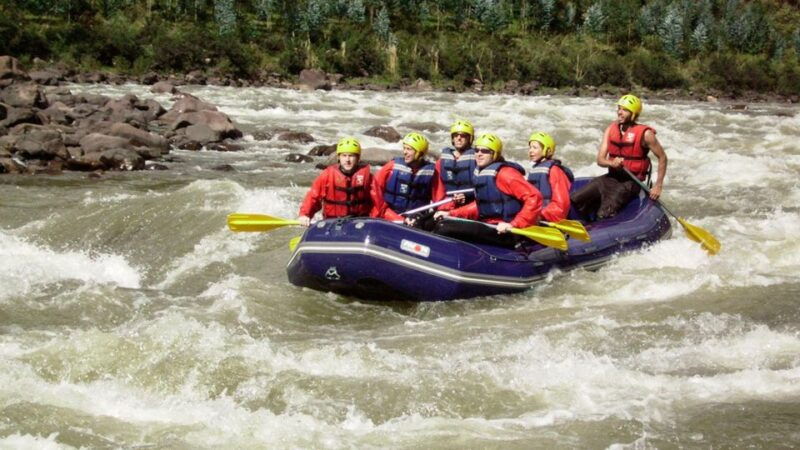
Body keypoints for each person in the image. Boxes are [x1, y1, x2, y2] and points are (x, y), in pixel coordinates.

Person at [433, 133, 543, 248]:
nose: (479, 154)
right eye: (477, 150)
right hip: (489, 226)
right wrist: (451, 214)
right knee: (435, 221)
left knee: (445, 228)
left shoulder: (506, 174)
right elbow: (480, 205)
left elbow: (534, 197)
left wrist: (514, 224)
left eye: (485, 151)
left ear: (494, 154)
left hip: (506, 231)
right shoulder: (481, 172)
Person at [570, 94, 668, 220]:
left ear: (634, 114)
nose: (620, 112)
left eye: (625, 110)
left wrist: (658, 186)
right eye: (619, 109)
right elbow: (600, 160)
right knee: (575, 199)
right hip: (610, 178)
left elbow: (662, 157)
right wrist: (611, 163)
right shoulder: (611, 129)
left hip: (630, 183)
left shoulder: (646, 134)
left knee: (603, 214)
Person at [297, 136, 372, 227]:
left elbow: (377, 201)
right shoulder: (327, 175)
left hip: (359, 224)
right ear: (339, 157)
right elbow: (313, 197)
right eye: (344, 155)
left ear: (358, 158)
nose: (347, 160)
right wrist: (305, 215)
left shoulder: (368, 177)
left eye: (351, 156)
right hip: (333, 223)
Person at [370, 132, 439, 224]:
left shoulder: (432, 172)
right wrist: (396, 218)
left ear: (419, 153)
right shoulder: (392, 166)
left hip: (415, 220)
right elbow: (375, 192)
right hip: (388, 216)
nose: (405, 152)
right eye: (404, 148)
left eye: (409, 149)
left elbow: (438, 198)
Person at [526, 131, 574, 222]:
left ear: (547, 150)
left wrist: (541, 216)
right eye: (530, 147)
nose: (530, 151)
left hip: (550, 218)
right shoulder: (535, 170)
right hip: (538, 217)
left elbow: (561, 205)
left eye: (535, 148)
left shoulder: (555, 170)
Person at [432, 119, 477, 210]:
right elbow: (438, 194)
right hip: (449, 206)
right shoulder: (441, 162)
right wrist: (449, 204)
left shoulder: (478, 159)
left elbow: (484, 191)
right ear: (452, 138)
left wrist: (467, 196)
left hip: (470, 206)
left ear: (470, 139)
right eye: (456, 135)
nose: (459, 138)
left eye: (463, 135)